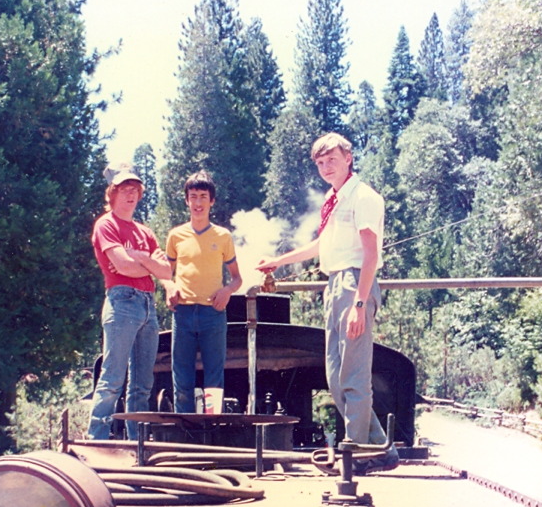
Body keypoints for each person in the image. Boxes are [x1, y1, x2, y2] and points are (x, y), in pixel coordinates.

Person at [256, 132, 398, 472]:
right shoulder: (333, 200)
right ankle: (380, 448)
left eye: (331, 160)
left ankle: (356, 458)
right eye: (320, 163)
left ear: (348, 158)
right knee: (335, 378)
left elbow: (371, 254)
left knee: (353, 376)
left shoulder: (363, 197)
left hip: (354, 284)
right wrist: (279, 261)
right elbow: (321, 247)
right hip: (334, 284)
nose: (325, 167)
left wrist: (360, 304)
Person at [88, 164, 172, 440]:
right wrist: (148, 263)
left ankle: (137, 443)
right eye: (124, 189)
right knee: (113, 378)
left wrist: (140, 258)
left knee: (142, 385)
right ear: (112, 193)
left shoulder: (144, 232)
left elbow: (166, 271)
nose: (130, 194)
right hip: (122, 301)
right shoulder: (106, 225)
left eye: (135, 189)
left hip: (148, 305)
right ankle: (97, 439)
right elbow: (123, 266)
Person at [165, 171, 242, 413]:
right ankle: (183, 434)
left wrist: (227, 291)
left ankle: (211, 433)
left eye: (203, 197)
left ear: (212, 201)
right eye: (193, 197)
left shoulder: (223, 236)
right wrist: (170, 287)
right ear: (187, 200)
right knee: (182, 379)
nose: (198, 203)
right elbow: (165, 273)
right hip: (183, 313)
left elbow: (237, 278)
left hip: (213, 314)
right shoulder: (176, 236)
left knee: (214, 380)